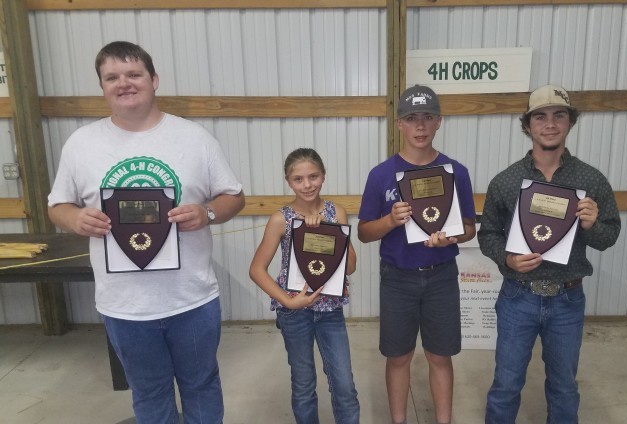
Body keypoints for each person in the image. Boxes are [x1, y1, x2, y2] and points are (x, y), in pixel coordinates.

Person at [47, 41, 245, 423]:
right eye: (112, 77)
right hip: (124, 306)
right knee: (150, 394)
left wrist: (207, 213)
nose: (124, 83)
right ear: (103, 87)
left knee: (201, 385)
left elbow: (233, 197)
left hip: (192, 299)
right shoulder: (81, 144)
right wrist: (74, 220)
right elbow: (58, 205)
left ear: (154, 80)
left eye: (133, 74)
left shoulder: (195, 138)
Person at [478, 84, 621, 423]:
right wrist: (508, 259)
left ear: (570, 122)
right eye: (540, 116)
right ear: (527, 126)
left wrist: (591, 225)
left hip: (567, 300)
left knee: (564, 386)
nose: (550, 124)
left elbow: (609, 236)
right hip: (518, 296)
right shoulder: (507, 181)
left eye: (559, 115)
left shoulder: (591, 180)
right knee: (506, 384)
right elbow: (488, 234)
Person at [358, 85, 477, 424]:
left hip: (441, 276)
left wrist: (449, 237)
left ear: (439, 121)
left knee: (440, 356)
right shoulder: (381, 175)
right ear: (399, 124)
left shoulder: (456, 172)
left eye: (427, 118)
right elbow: (364, 233)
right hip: (397, 278)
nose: (420, 126)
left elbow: (468, 227)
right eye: (412, 119)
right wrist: (389, 220)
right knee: (398, 357)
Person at [249, 148, 360, 424]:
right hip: (295, 312)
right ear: (289, 181)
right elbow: (256, 270)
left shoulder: (336, 212)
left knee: (344, 384)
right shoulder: (281, 219)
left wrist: (330, 229)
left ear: (323, 176)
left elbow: (350, 266)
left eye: (313, 176)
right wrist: (287, 302)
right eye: (298, 179)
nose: (307, 184)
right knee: (303, 384)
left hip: (330, 309)